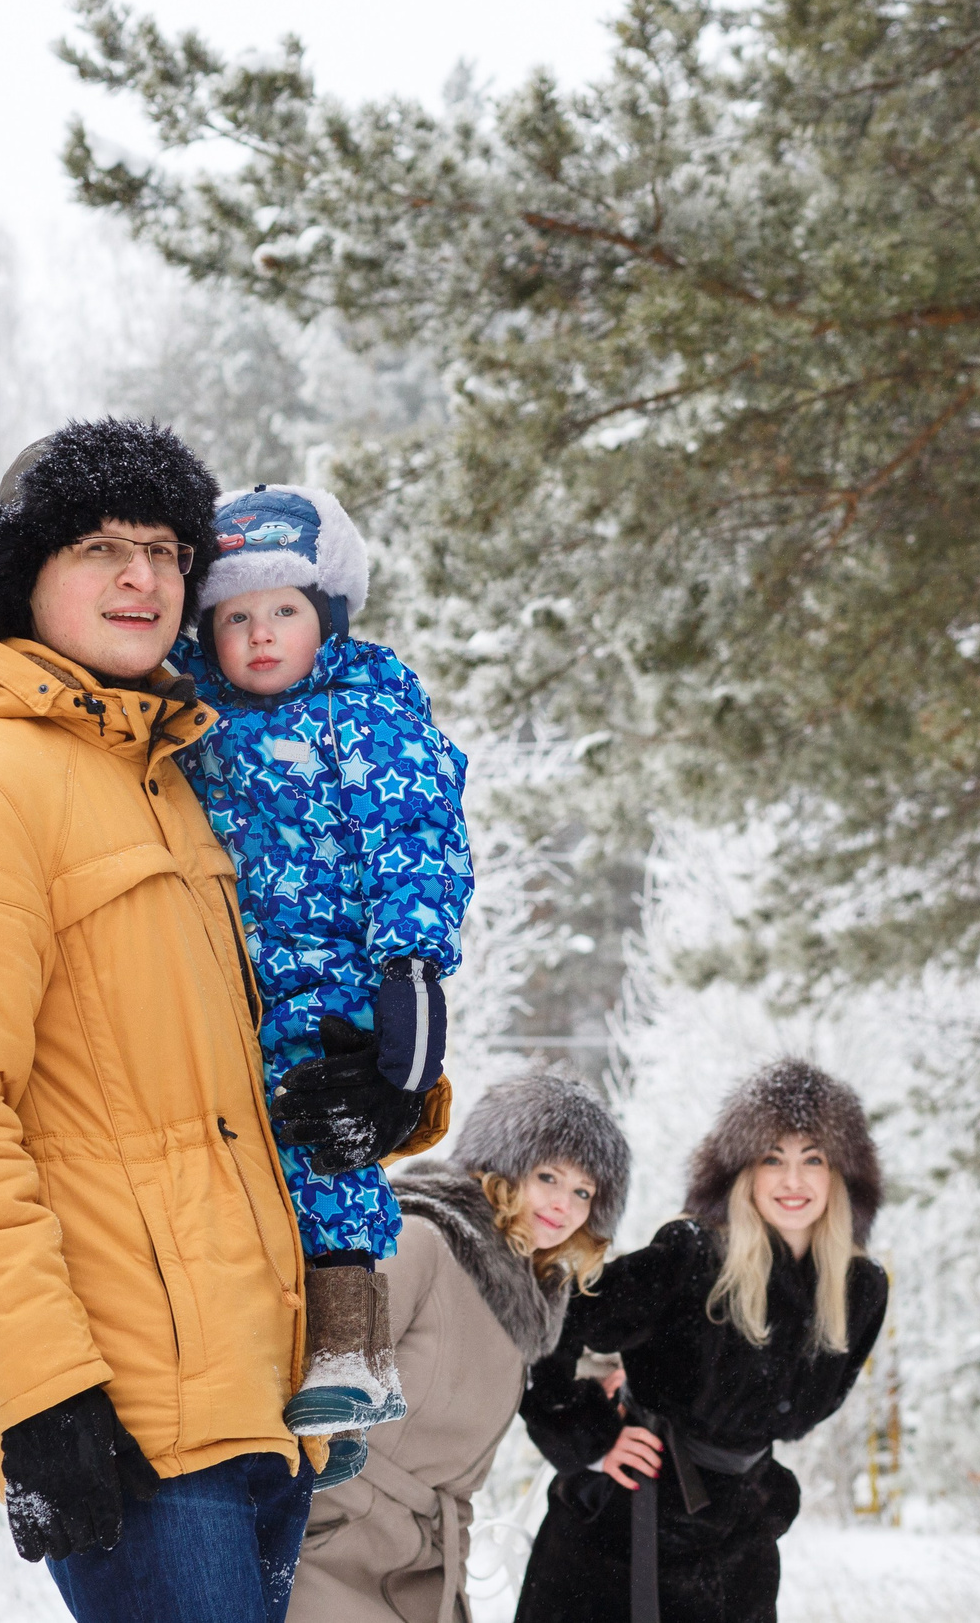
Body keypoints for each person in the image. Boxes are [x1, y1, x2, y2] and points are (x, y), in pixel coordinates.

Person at [0, 421, 450, 1623]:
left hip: (264, 1392)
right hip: (131, 1413)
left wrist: (382, 1096)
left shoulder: (177, 777)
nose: (142, 576)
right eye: (98, 547)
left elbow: (236, 1077)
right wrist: (42, 1395)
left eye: (166, 550)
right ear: (18, 577)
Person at [175, 484, 472, 1473]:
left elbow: (415, 840)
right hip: (228, 986)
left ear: (327, 617)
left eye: (284, 612)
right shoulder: (193, 719)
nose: (261, 636)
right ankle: (302, 1407)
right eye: (235, 618)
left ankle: (351, 1351)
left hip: (332, 980)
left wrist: (410, 975)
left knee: (326, 1143)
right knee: (243, 1172)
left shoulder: (365, 714)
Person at [514, 1060, 888, 1623]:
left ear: (841, 1176)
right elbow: (555, 1320)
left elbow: (802, 1410)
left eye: (814, 1159)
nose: (793, 1181)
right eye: (773, 1159)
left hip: (738, 1542)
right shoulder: (691, 1255)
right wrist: (588, 1433)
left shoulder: (859, 1291)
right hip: (622, 1536)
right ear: (744, 1172)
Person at [291, 1075, 633, 1623]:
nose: (563, 1204)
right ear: (503, 1166)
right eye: (548, 1176)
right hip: (337, 1553)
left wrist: (599, 1376)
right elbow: (317, 1373)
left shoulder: (528, 1302)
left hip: (428, 1566)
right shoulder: (419, 1240)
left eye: (583, 1192)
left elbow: (472, 1361)